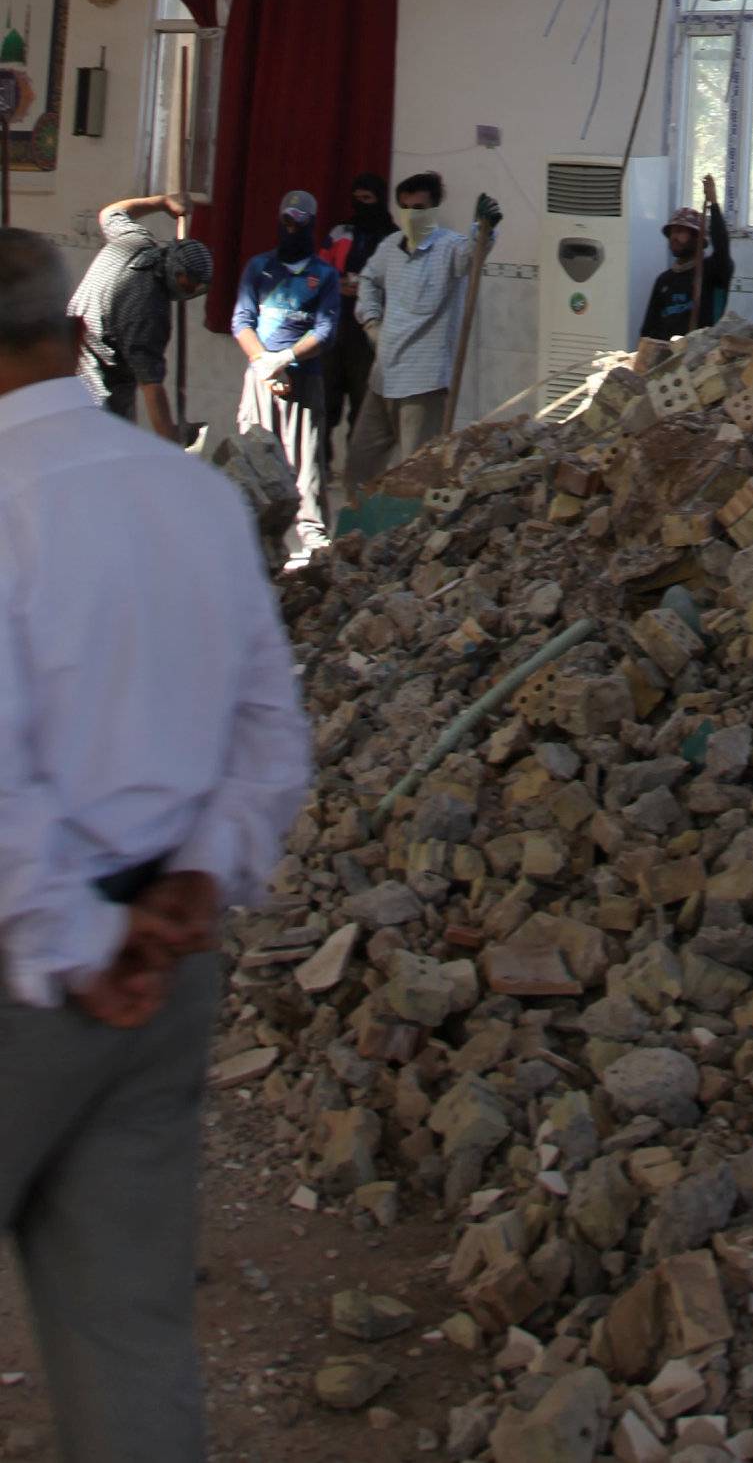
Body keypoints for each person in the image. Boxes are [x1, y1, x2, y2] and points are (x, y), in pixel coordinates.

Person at [0, 225, 311, 1463]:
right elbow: (270, 729)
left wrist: (83, 937)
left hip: (33, 977)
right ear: (76, 337)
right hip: (169, 972)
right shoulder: (186, 490)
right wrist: (186, 888)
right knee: (127, 1331)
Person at [356, 171, 500, 468]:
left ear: (433, 209)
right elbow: (368, 279)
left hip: (423, 385)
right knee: (361, 464)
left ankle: (416, 517)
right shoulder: (390, 247)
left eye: (419, 209)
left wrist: (483, 229)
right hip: (383, 376)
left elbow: (473, 253)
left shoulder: (449, 247)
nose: (412, 216)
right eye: (405, 208)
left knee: (417, 469)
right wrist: (371, 322)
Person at [230, 190, 339, 565]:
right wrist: (264, 363)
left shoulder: (323, 276)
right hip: (260, 379)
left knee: (304, 467)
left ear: (310, 225)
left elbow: (325, 331)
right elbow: (241, 322)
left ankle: (313, 543)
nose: (291, 228)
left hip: (302, 382)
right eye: (286, 221)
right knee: (254, 459)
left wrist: (286, 359)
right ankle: (249, 539)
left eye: (299, 223)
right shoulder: (259, 268)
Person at [70, 220, 212, 438]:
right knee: (103, 448)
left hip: (63, 358)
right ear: (175, 269)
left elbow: (110, 214)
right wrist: (169, 443)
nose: (190, 291)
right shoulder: (149, 311)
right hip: (97, 383)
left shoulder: (136, 240)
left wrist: (162, 202)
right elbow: (151, 386)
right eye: (188, 284)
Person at [321, 171, 392, 466]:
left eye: (368, 199)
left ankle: (358, 474)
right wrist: (337, 284)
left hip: (369, 331)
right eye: (357, 198)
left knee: (363, 405)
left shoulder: (392, 238)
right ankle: (319, 466)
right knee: (325, 401)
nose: (361, 204)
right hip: (335, 325)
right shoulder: (340, 232)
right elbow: (320, 268)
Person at [641, 174, 731, 340]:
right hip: (667, 358)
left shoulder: (712, 272)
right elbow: (648, 329)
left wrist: (714, 204)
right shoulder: (664, 281)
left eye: (681, 232)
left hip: (700, 357)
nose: (674, 237)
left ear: (697, 238)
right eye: (672, 233)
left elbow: (722, 248)